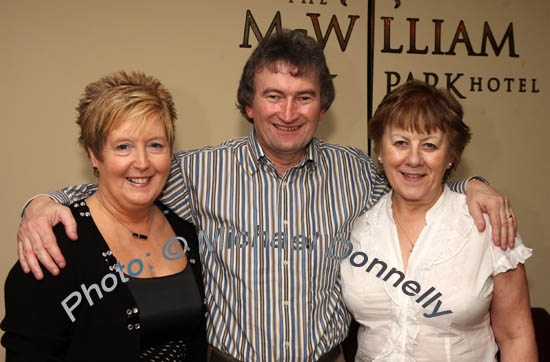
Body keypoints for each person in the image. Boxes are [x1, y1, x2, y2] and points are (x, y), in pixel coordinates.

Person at [16, 31, 516, 362]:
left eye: (305, 97)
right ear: (249, 105)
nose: (288, 111)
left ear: (322, 108)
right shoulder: (199, 172)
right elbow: (127, 184)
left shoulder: (356, 174)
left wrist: (472, 185)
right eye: (272, 95)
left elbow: (417, 182)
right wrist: (41, 203)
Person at [1, 71, 206, 361]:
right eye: (123, 146)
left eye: (155, 145)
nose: (142, 162)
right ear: (94, 155)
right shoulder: (53, 246)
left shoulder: (185, 233)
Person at [340, 80, 537, 362]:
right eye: (400, 143)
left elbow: (516, 337)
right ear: (380, 151)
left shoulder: (488, 226)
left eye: (430, 145)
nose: (414, 159)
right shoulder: (357, 228)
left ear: (451, 155)